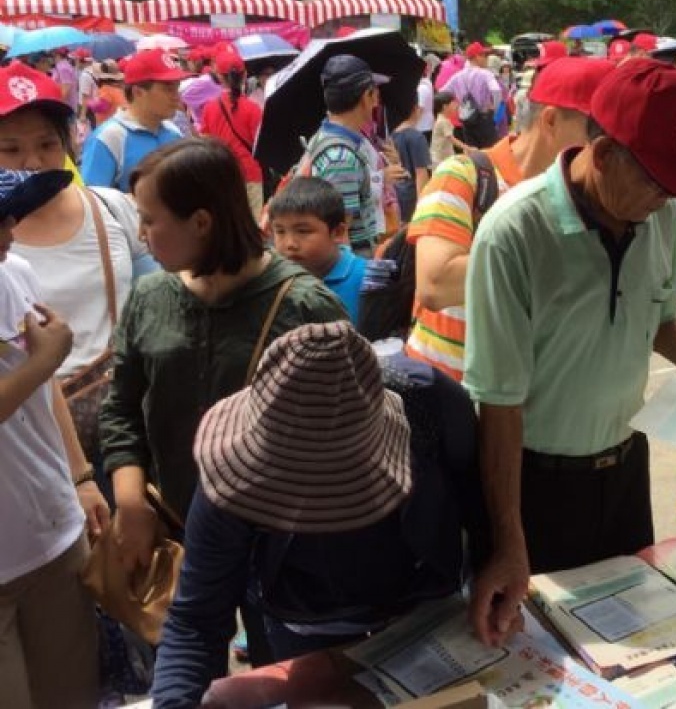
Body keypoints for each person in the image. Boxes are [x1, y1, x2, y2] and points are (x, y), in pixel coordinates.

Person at [464, 58, 676, 648]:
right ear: (603, 154)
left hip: (623, 471)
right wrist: (509, 539)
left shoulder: (660, 213)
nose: (666, 199)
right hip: (536, 487)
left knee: (640, 646)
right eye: (656, 180)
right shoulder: (514, 236)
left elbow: (656, 316)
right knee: (540, 659)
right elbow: (499, 406)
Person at [150, 322, 486, 707]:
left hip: (427, 604)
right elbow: (196, 621)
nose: (310, 510)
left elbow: (483, 505)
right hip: (305, 621)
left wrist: (494, 567)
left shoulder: (430, 404)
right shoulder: (229, 486)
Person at [99, 139, 346, 588]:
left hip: (277, 548)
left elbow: (342, 437)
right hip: (170, 528)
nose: (141, 234)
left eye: (150, 220)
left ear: (201, 223)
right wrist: (131, 502)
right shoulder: (150, 296)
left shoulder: (306, 308)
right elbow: (122, 408)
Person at [0, 62, 156, 492]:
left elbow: (157, 297)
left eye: (47, 144)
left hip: (125, 426)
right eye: (10, 150)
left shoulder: (110, 209)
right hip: (26, 441)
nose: (32, 162)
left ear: (68, 142)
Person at [405, 58, 612, 381]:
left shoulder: (586, 195)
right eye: (597, 132)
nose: (604, 148)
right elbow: (435, 284)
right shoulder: (464, 176)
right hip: (449, 398)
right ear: (551, 121)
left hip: (524, 401)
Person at [0, 167, 110, 709]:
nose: (9, 232)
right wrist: (43, 361)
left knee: (73, 695)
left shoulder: (15, 273)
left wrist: (81, 476)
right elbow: (42, 369)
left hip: (53, 536)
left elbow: (48, 397)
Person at [268, 176, 397, 329]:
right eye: (280, 231)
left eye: (303, 231)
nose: (290, 244)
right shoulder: (275, 282)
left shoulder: (369, 280)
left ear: (337, 232)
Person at [300, 55, 394, 255]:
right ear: (365, 97)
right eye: (374, 92)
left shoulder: (325, 137)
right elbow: (339, 237)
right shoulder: (341, 158)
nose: (377, 100)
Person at [80, 49, 189, 193]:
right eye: (168, 89)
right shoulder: (108, 138)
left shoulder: (173, 132)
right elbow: (95, 202)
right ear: (138, 92)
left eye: (177, 88)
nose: (176, 97)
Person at [199, 48, 266, 218]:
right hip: (251, 172)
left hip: (223, 174)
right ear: (245, 75)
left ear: (219, 77)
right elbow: (261, 145)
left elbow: (206, 143)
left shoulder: (209, 108)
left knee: (229, 224)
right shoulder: (253, 108)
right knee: (254, 225)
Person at [444, 42, 503, 148]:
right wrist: (495, 108)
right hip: (484, 118)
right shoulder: (485, 74)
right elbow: (496, 91)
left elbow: (442, 92)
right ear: (476, 57)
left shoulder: (457, 76)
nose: (486, 59)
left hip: (467, 120)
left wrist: (457, 106)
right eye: (484, 55)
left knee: (473, 154)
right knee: (490, 154)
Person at [391, 96, 433, 223]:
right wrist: (422, 206)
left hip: (397, 194)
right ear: (415, 109)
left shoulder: (392, 135)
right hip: (412, 196)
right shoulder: (416, 137)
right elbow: (421, 173)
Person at [430, 91, 459, 165]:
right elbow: (452, 139)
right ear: (445, 107)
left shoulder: (443, 119)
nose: (457, 106)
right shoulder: (443, 121)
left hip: (444, 156)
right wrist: (467, 147)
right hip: (440, 158)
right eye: (454, 104)